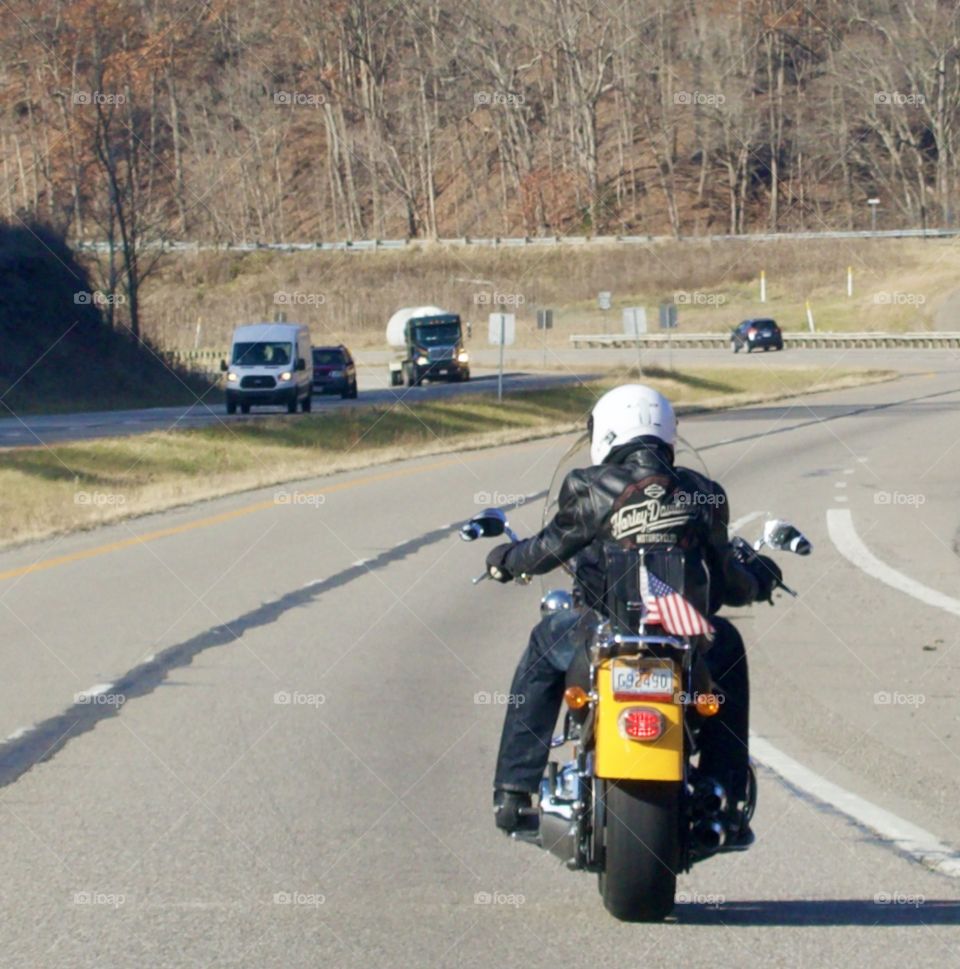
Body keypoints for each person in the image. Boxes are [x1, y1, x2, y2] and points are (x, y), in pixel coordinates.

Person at [483, 384, 781, 846]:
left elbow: (545, 551)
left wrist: (504, 558)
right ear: (666, 433)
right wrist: (759, 580)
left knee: (545, 643)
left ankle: (515, 790)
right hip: (682, 642)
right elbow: (726, 580)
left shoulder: (588, 486)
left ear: (607, 432)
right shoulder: (703, 494)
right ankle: (724, 790)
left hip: (603, 632)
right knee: (729, 646)